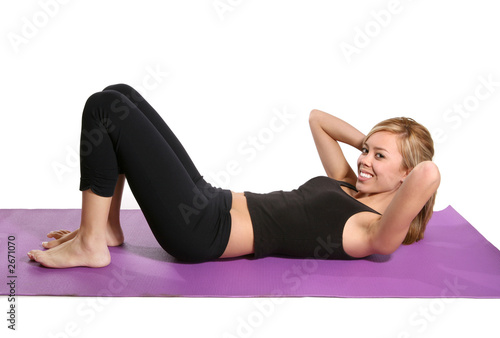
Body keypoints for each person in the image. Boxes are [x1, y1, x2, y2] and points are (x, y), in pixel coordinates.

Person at [27, 84, 440, 268]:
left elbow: (429, 172)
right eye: (366, 150)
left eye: (379, 156)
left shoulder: (375, 231)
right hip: (211, 200)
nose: (365, 158)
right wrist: (372, 147)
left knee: (103, 108)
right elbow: (318, 120)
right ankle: (106, 228)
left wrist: (408, 153)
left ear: (406, 177)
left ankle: (90, 243)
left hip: (201, 230)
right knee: (121, 95)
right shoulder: (349, 182)